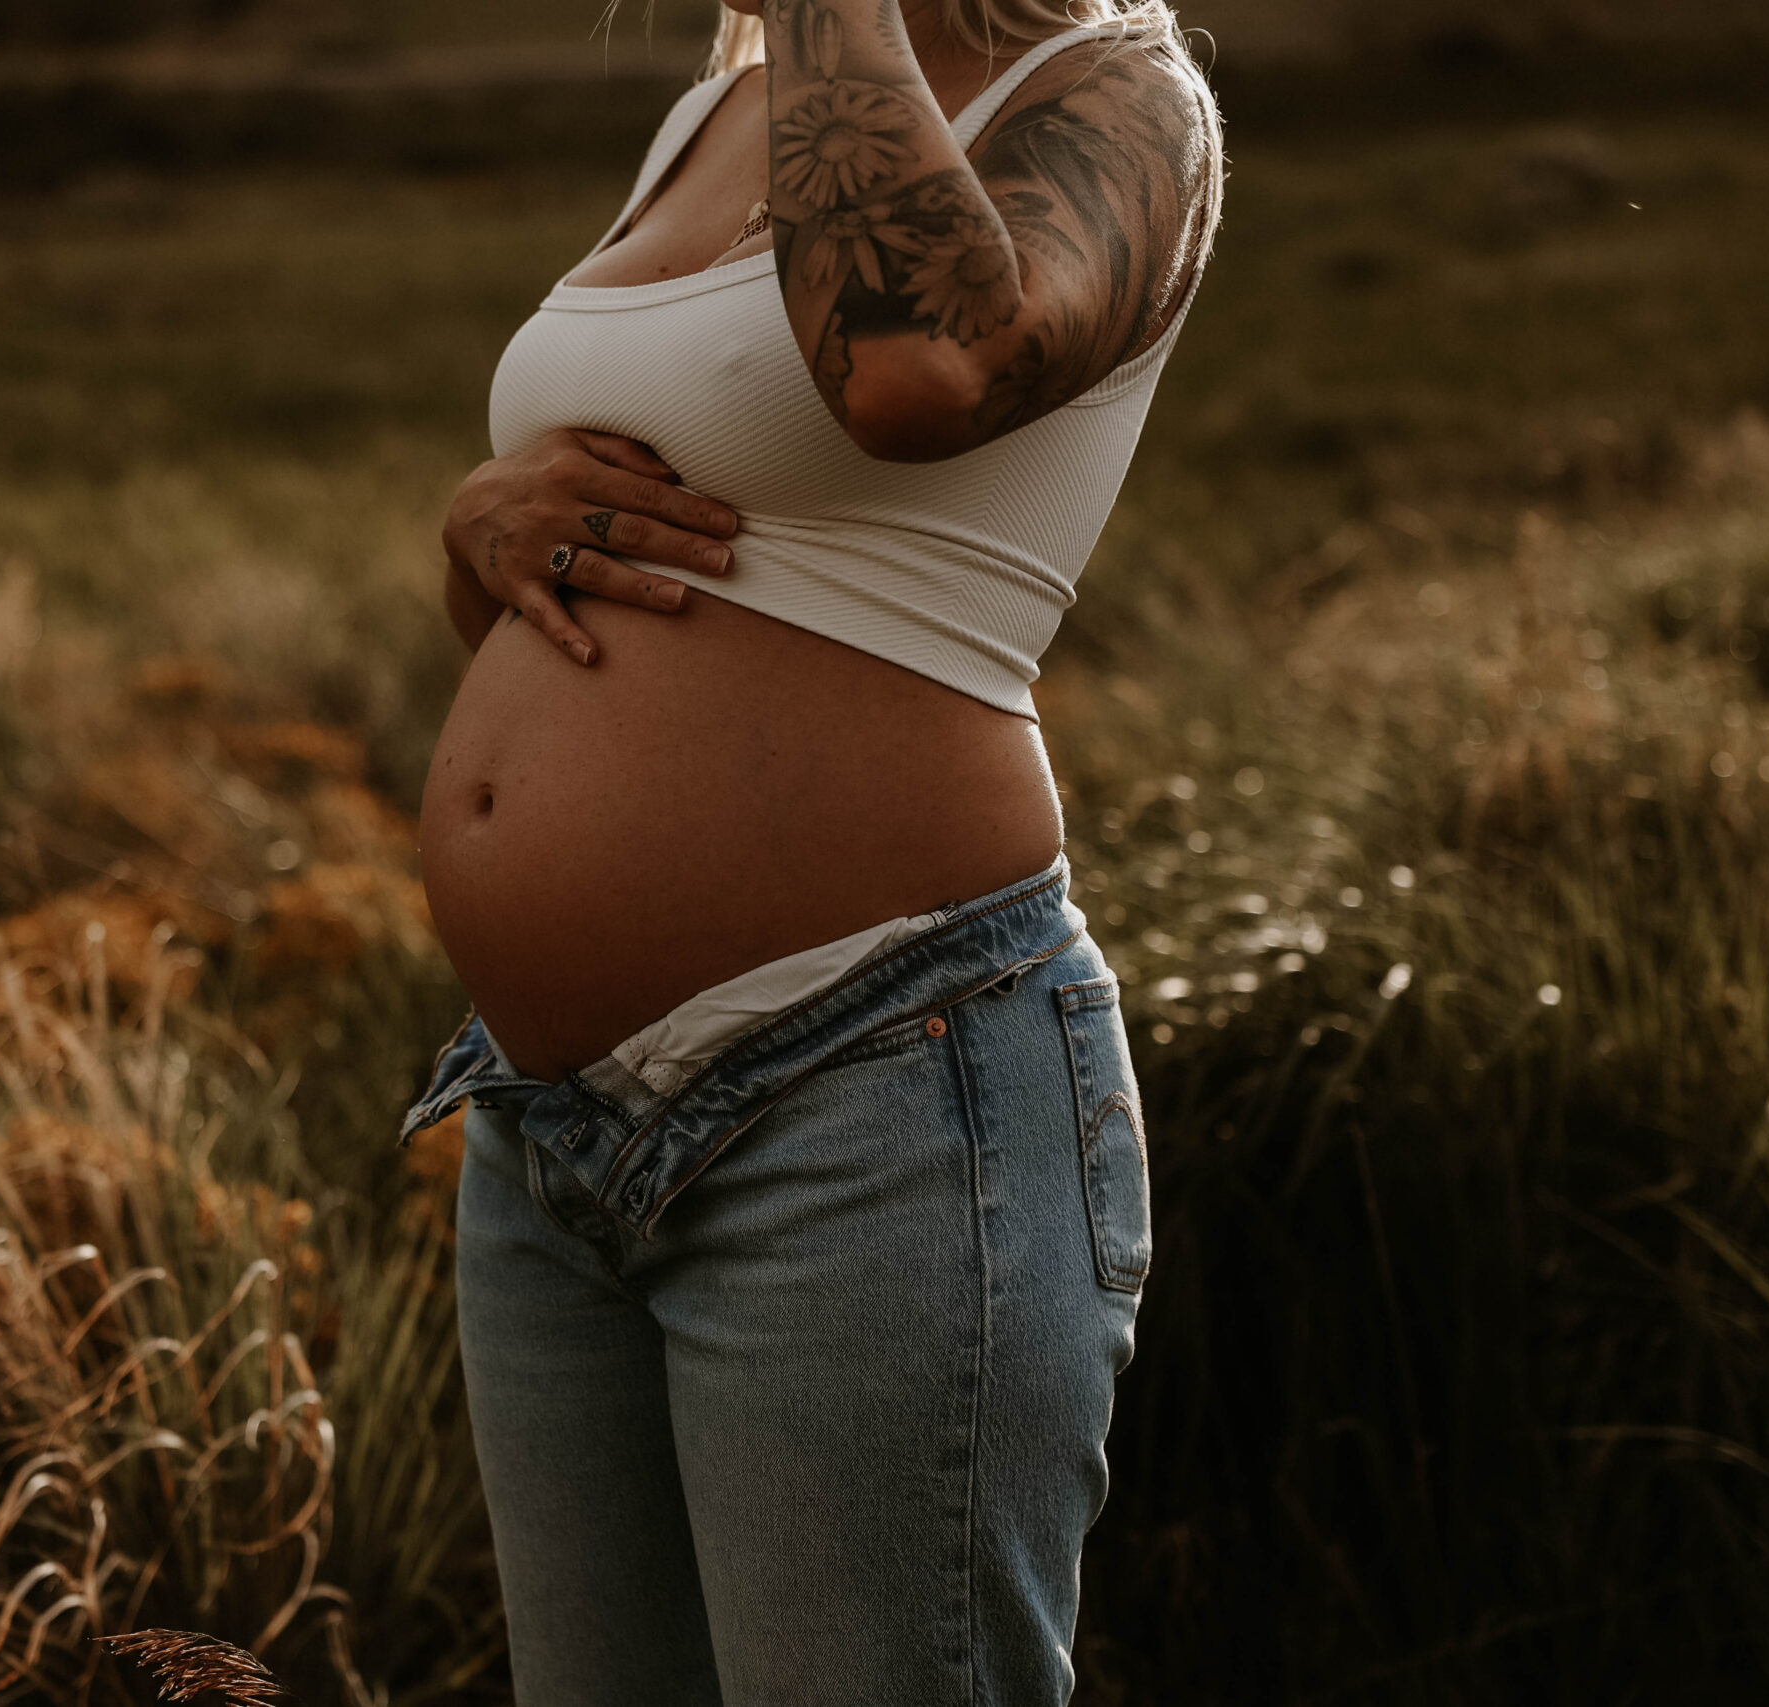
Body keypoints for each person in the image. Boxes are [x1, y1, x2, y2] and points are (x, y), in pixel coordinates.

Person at [397, 0, 1222, 1700]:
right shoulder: (730, 103)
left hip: (869, 1098)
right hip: (550, 1135)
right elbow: (626, 572)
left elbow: (915, 368)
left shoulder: (1126, 96)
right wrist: (480, 533)